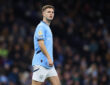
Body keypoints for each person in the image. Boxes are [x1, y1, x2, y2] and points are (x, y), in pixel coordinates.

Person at [32, 5, 61, 85]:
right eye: (48, 12)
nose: (51, 14)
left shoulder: (47, 27)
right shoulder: (41, 27)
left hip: (49, 65)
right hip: (41, 63)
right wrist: (49, 58)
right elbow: (41, 44)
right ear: (43, 14)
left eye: (52, 12)